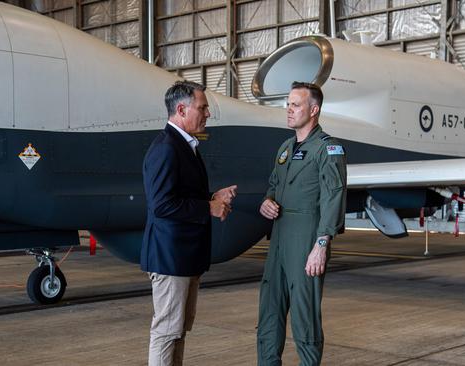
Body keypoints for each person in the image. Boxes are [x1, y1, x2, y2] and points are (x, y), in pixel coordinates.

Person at [141, 80, 237, 366]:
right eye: (203, 107)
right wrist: (208, 206)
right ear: (182, 109)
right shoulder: (166, 148)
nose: (207, 113)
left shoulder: (184, 146)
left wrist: (212, 196)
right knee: (166, 333)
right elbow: (161, 205)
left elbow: (179, 196)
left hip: (183, 258)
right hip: (171, 258)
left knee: (178, 331)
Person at [257, 81, 347, 365]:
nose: (289, 110)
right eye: (288, 104)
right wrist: (266, 201)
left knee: (304, 315)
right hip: (280, 236)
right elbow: (274, 184)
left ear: (314, 110)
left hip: (307, 238)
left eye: (296, 105)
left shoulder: (328, 149)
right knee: (269, 311)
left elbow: (334, 196)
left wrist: (322, 243)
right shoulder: (285, 148)